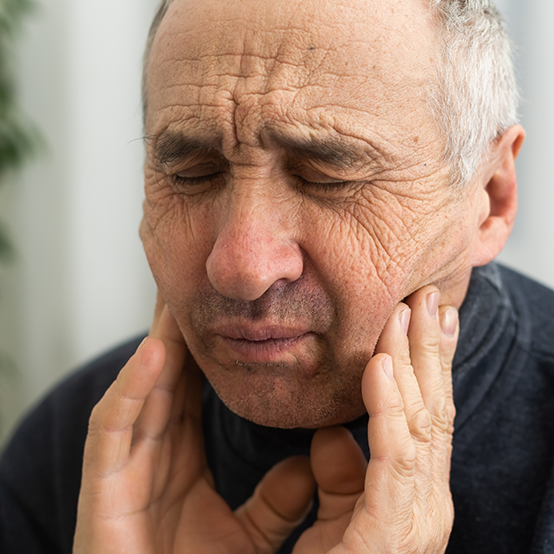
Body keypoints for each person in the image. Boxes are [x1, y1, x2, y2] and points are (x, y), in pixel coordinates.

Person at [3, 0, 554, 552]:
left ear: (490, 198)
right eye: (192, 174)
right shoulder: (68, 453)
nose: (242, 268)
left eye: (326, 177)